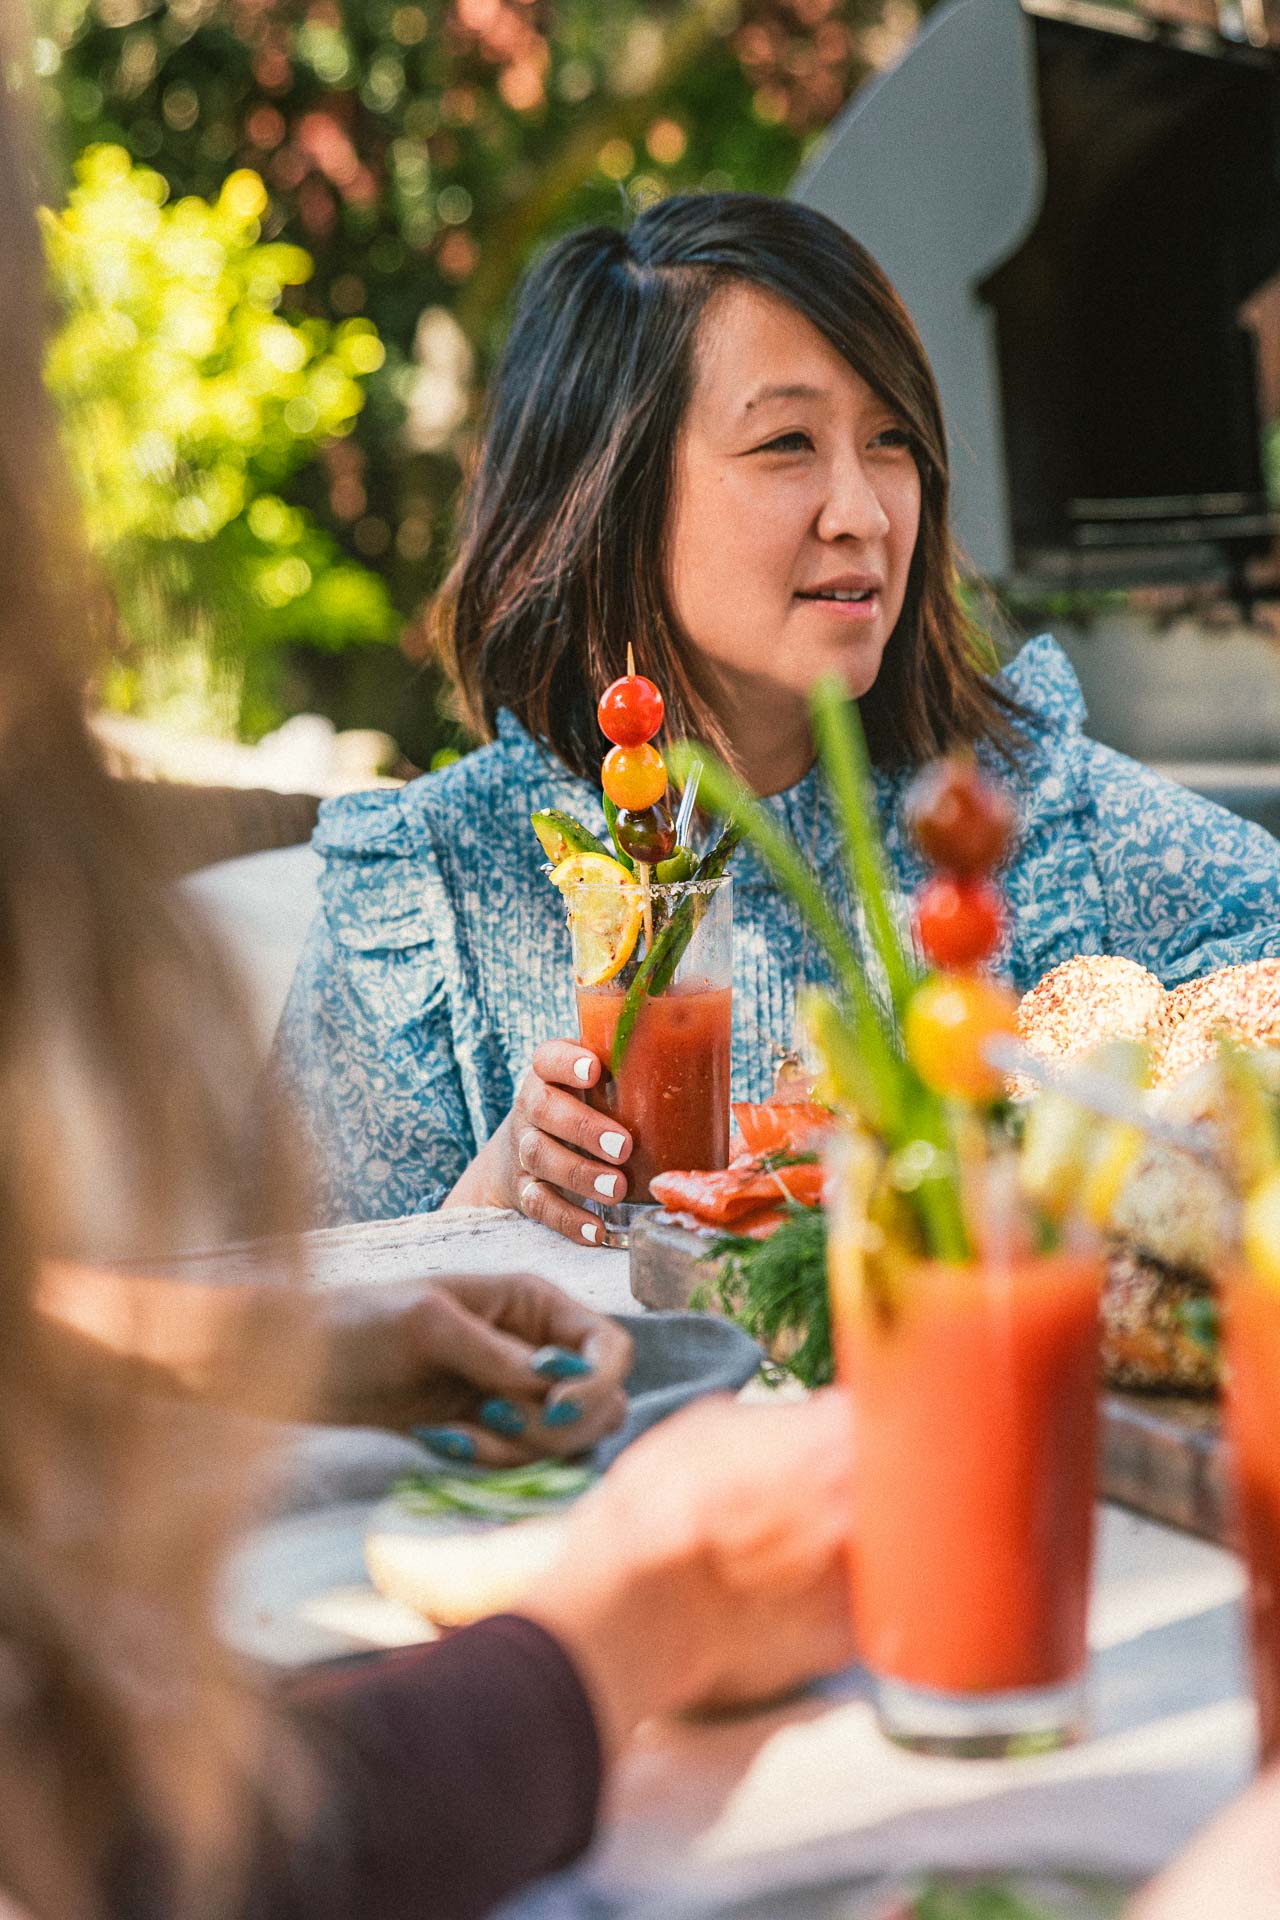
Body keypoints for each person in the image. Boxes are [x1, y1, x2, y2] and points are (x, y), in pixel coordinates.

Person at [0, 37, 854, 1920]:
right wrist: (638, 1615)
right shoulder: (441, 866)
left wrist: (299, 1350)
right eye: (785, 445)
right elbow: (153, 1858)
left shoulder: (1010, 815)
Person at [276, 193, 1280, 1242]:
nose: (863, 511)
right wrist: (491, 1197)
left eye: (889, 440)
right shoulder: (436, 894)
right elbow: (268, 1338)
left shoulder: (1012, 810)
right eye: (787, 443)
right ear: (606, 491)